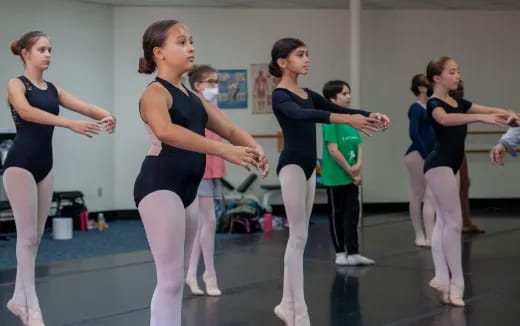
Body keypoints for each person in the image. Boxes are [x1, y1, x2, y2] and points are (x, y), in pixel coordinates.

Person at [133, 20, 268, 326]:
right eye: (181, 42)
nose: (191, 47)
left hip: (187, 189)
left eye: (191, 41)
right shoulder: (155, 93)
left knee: (177, 279)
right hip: (159, 187)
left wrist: (253, 147)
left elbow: (230, 129)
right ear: (159, 53)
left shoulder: (193, 98)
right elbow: (166, 132)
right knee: (168, 279)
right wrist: (224, 151)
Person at [269, 37, 389, 325]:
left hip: (310, 167)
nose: (307, 59)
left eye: (307, 54)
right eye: (300, 55)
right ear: (283, 62)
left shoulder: (307, 92)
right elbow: (303, 114)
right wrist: (346, 121)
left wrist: (367, 115)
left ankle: (288, 303)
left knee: (301, 237)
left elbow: (342, 111)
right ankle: (296, 308)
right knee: (296, 238)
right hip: (293, 166)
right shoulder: (280, 95)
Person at [4, 31, 116, 326]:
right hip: (20, 164)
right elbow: (26, 113)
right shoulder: (17, 84)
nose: (48, 54)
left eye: (50, 49)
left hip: (45, 165)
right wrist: (69, 124)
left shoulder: (53, 89)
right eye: (41, 49)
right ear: (26, 53)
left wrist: (106, 115)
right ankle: (32, 308)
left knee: (36, 238)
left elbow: (84, 107)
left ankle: (17, 299)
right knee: (26, 237)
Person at [424, 56, 514, 307]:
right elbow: (444, 119)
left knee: (444, 221)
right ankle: (456, 284)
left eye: (457, 71)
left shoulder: (459, 101)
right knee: (453, 222)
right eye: (452, 72)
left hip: (449, 164)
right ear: (437, 78)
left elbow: (490, 110)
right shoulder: (435, 103)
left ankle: (441, 276)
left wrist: (511, 115)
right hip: (438, 163)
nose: (457, 75)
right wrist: (478, 119)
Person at [321, 80, 376, 265]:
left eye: (348, 93)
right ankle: (340, 253)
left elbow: (358, 145)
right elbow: (333, 150)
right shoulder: (330, 120)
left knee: (352, 214)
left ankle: (353, 252)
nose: (348, 96)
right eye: (344, 93)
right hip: (336, 177)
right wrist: (351, 172)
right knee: (337, 214)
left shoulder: (351, 119)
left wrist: (358, 167)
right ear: (332, 98)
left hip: (352, 177)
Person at [186, 65, 226, 296]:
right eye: (210, 82)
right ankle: (209, 273)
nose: (215, 86)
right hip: (199, 171)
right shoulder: (193, 109)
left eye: (216, 82)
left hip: (214, 171)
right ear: (197, 86)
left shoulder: (218, 112)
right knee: (207, 222)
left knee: (204, 224)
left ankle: (192, 273)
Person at [404, 73, 436, 247]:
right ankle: (419, 234)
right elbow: (414, 134)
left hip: (429, 154)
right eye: (428, 84)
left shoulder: (431, 107)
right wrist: (426, 154)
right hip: (417, 155)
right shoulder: (416, 108)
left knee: (431, 195)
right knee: (419, 194)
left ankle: (431, 236)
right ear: (422, 88)